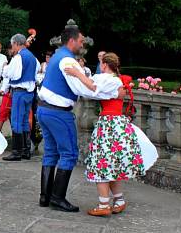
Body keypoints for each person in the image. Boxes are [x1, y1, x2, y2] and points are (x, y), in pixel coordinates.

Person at [63, 53, 158, 216]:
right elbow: (93, 84)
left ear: (105, 64)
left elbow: (92, 87)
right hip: (115, 123)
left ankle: (103, 205)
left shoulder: (111, 80)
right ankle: (119, 200)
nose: (99, 66)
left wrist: (77, 73)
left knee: (101, 164)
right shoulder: (114, 79)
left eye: (100, 63)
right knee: (111, 165)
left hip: (110, 124)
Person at [37, 26, 120, 212]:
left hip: (43, 109)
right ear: (72, 41)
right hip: (58, 112)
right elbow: (81, 89)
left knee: (50, 152)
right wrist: (110, 92)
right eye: (81, 41)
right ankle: (57, 198)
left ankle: (45, 196)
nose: (83, 44)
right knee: (69, 154)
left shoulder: (58, 56)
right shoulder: (68, 60)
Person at [1, 34, 39, 162]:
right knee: (24, 121)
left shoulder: (18, 57)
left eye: (12, 45)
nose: (12, 47)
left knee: (16, 120)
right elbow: (37, 71)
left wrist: (5, 69)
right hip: (29, 92)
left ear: (16, 43)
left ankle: (16, 152)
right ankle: (26, 150)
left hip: (20, 92)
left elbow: (12, 74)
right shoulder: (32, 57)